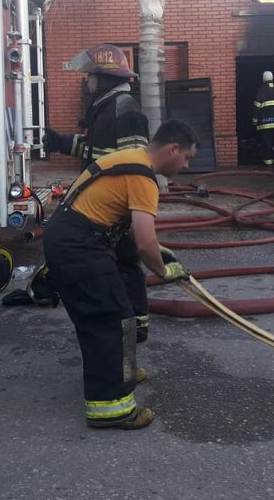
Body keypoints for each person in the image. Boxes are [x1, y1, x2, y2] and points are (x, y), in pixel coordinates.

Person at [43, 119, 198, 431]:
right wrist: (164, 269)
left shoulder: (127, 158)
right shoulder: (144, 178)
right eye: (187, 157)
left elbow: (115, 215)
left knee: (108, 314)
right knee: (110, 317)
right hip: (79, 246)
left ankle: (119, 370)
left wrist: (159, 249)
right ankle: (110, 408)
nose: (186, 165)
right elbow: (143, 240)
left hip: (68, 238)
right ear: (172, 149)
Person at [42, 44, 154, 342]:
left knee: (126, 262)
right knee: (115, 262)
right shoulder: (107, 107)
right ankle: (127, 322)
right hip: (104, 206)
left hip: (116, 208)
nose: (87, 81)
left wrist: (129, 214)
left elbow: (133, 162)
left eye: (91, 76)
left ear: (103, 78)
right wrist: (62, 142)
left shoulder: (124, 108)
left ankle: (136, 324)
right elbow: (97, 152)